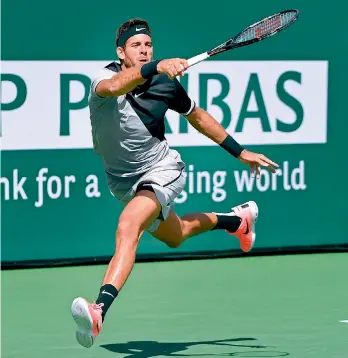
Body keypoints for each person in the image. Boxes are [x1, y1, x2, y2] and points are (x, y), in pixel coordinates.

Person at [71, 17, 279, 348]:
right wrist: (155, 66)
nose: (143, 50)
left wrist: (239, 152)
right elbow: (115, 88)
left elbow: (198, 118)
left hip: (161, 168)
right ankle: (238, 220)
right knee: (176, 234)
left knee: (129, 227)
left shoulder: (166, 85)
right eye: (136, 46)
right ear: (120, 52)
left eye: (148, 45)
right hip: (122, 180)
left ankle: (98, 311)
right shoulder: (105, 78)